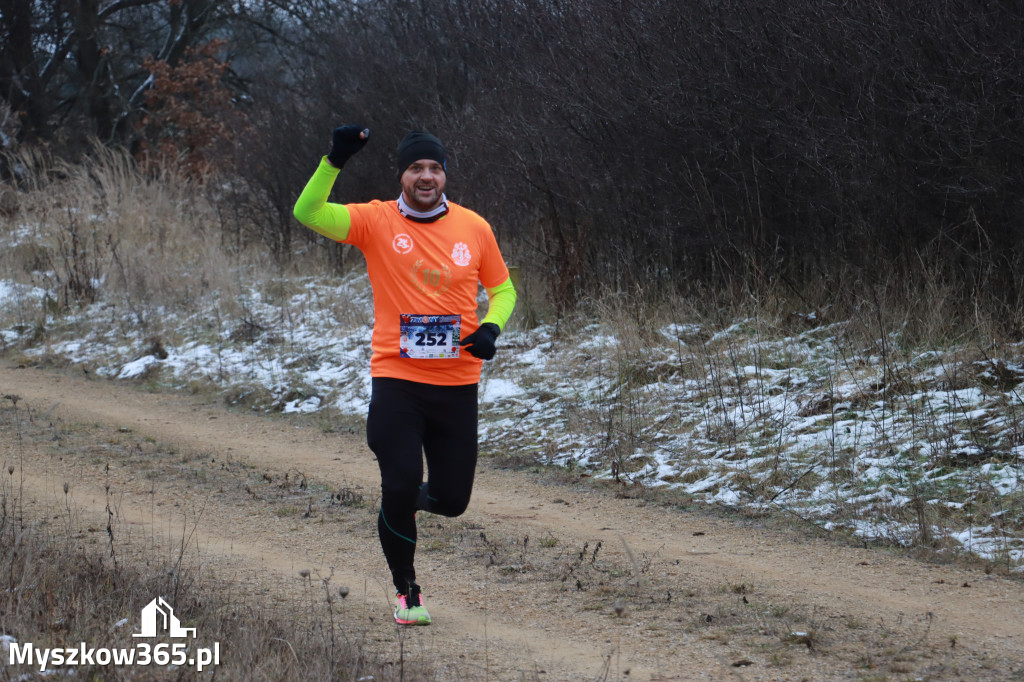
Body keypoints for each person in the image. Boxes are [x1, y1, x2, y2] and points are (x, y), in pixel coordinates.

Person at [293, 125, 517, 626]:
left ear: (444, 176)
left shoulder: (474, 227)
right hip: (396, 378)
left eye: (434, 168)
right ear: (402, 174)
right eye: (416, 167)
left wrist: (491, 327)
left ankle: (400, 508)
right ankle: (406, 591)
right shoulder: (375, 221)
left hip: (457, 383)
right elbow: (306, 212)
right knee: (398, 483)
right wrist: (334, 160)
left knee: (453, 501)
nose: (426, 176)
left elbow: (504, 290)